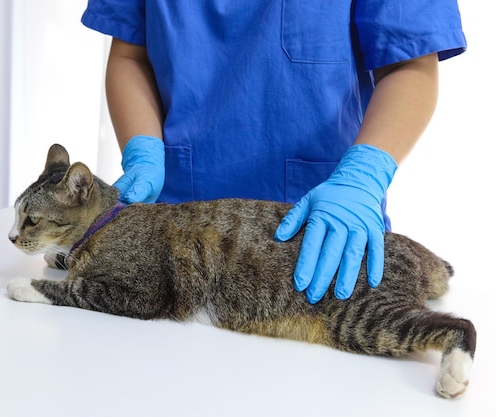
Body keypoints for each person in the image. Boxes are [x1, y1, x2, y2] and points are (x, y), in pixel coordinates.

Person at [81, 1, 466, 304]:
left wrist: (364, 175)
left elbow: (411, 65)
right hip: (176, 248)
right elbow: (130, 55)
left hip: (322, 238)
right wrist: (143, 150)